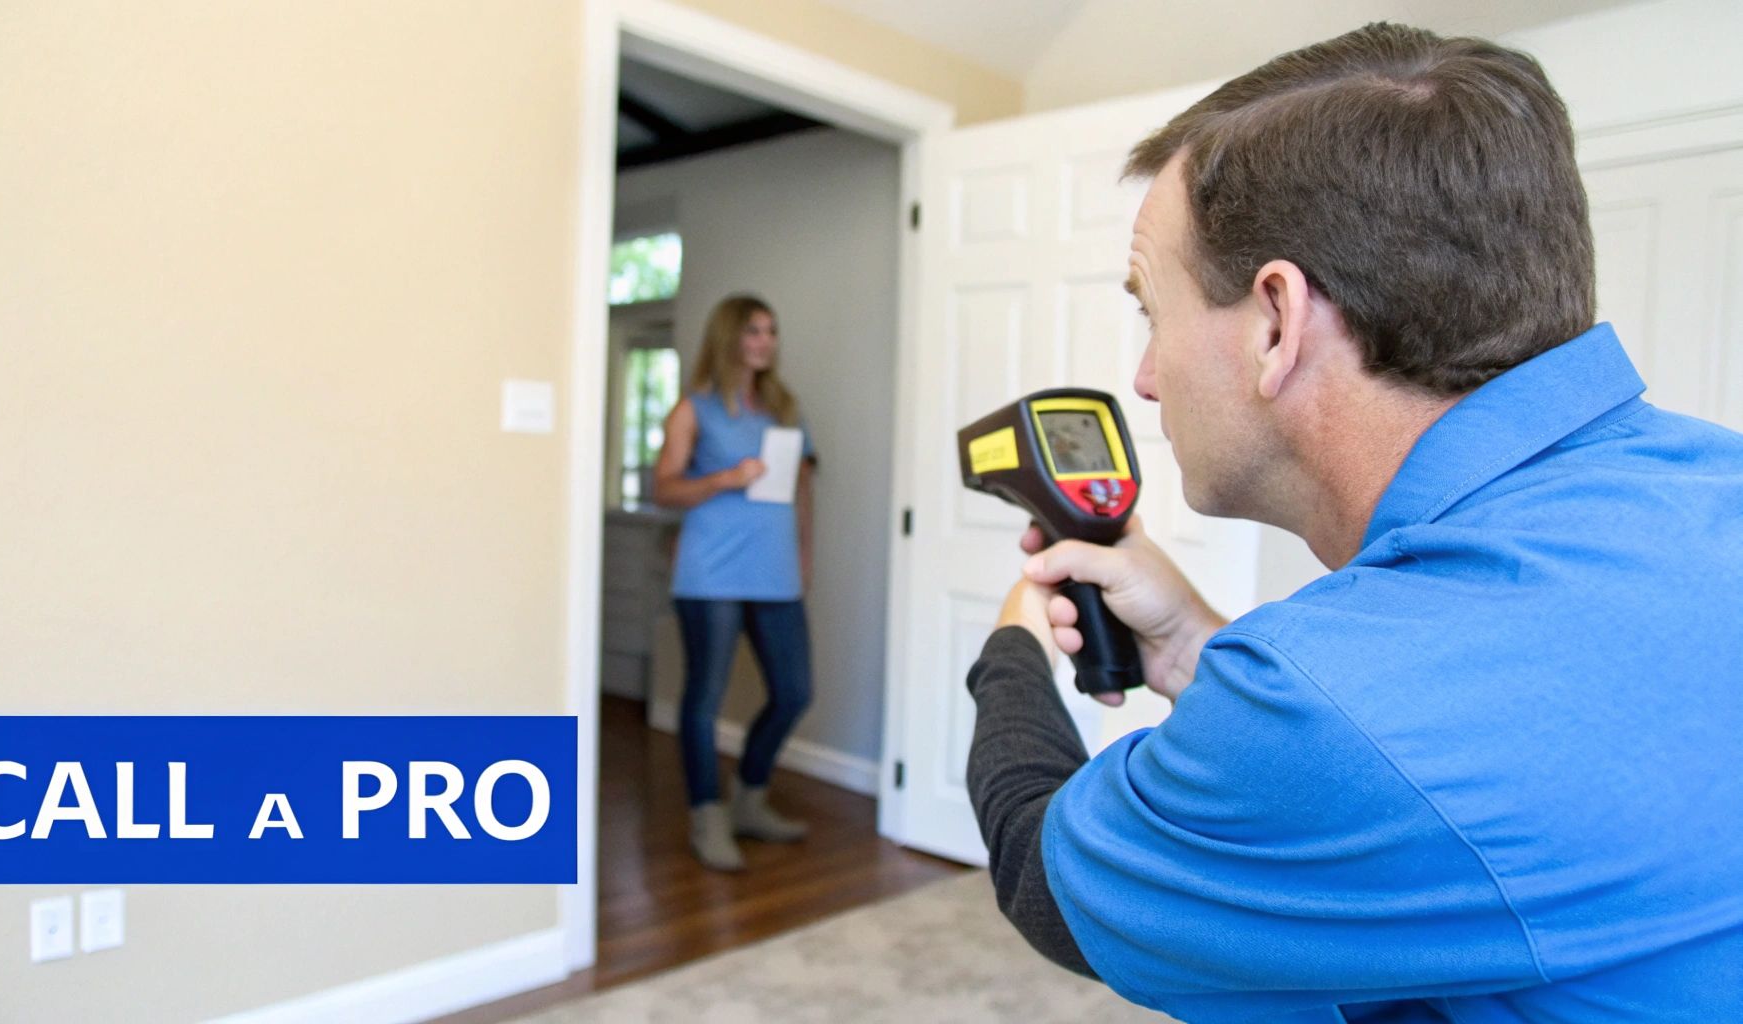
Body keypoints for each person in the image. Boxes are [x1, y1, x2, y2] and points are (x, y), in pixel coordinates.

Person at [965, 23, 1743, 1023]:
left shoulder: (1336, 704)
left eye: (1149, 312)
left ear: (1275, 323)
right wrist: (1199, 642)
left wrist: (1010, 647)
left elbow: (1046, 877)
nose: (1144, 378)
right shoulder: (1714, 482)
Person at [654, 294, 816, 872]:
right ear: (730, 338)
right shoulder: (693, 410)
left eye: (771, 331)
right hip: (711, 572)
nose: (766, 341)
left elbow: (803, 491)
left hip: (775, 570)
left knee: (794, 690)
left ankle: (749, 800)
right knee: (705, 697)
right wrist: (726, 477)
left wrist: (804, 558)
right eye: (754, 331)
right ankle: (707, 816)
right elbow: (664, 489)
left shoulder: (786, 411)